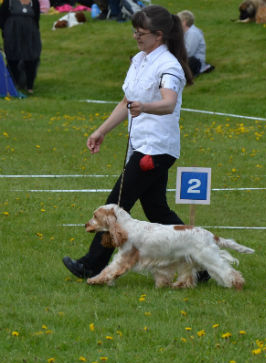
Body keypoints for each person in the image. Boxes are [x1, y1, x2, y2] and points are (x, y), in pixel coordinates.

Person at [62, 5, 211, 283]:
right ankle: (201, 264)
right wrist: (101, 130)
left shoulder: (169, 66)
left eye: (141, 33)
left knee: (115, 205)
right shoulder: (139, 60)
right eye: (134, 32)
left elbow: (168, 103)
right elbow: (126, 101)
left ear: (159, 35)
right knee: (157, 210)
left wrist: (145, 107)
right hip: (141, 146)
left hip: (156, 149)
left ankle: (91, 266)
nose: (136, 37)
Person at [0, 0, 42, 94]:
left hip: (30, 34)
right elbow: (2, 18)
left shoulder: (34, 2)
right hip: (12, 33)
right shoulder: (8, 2)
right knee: (12, 58)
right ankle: (13, 85)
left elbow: (36, 18)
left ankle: (29, 86)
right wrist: (6, 31)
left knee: (31, 58)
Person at [177, 10, 214, 77]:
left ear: (184, 22)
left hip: (195, 62)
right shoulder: (185, 32)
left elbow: (189, 52)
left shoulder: (192, 33)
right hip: (188, 59)